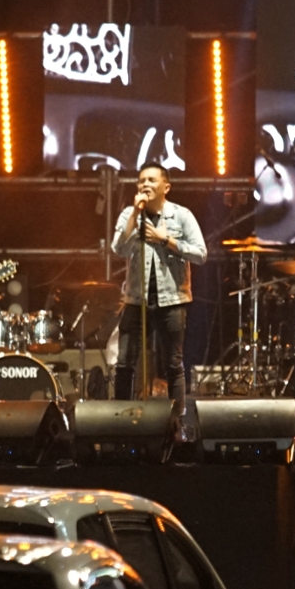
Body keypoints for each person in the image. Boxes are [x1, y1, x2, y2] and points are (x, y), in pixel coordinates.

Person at [110, 161, 207, 408]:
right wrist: (134, 213)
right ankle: (120, 420)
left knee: (173, 364)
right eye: (142, 181)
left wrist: (168, 241)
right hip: (135, 299)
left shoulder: (181, 216)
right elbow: (118, 248)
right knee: (124, 363)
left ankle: (177, 422)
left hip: (172, 300)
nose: (145, 185)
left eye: (152, 180)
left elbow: (200, 254)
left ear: (166, 186)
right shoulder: (128, 215)